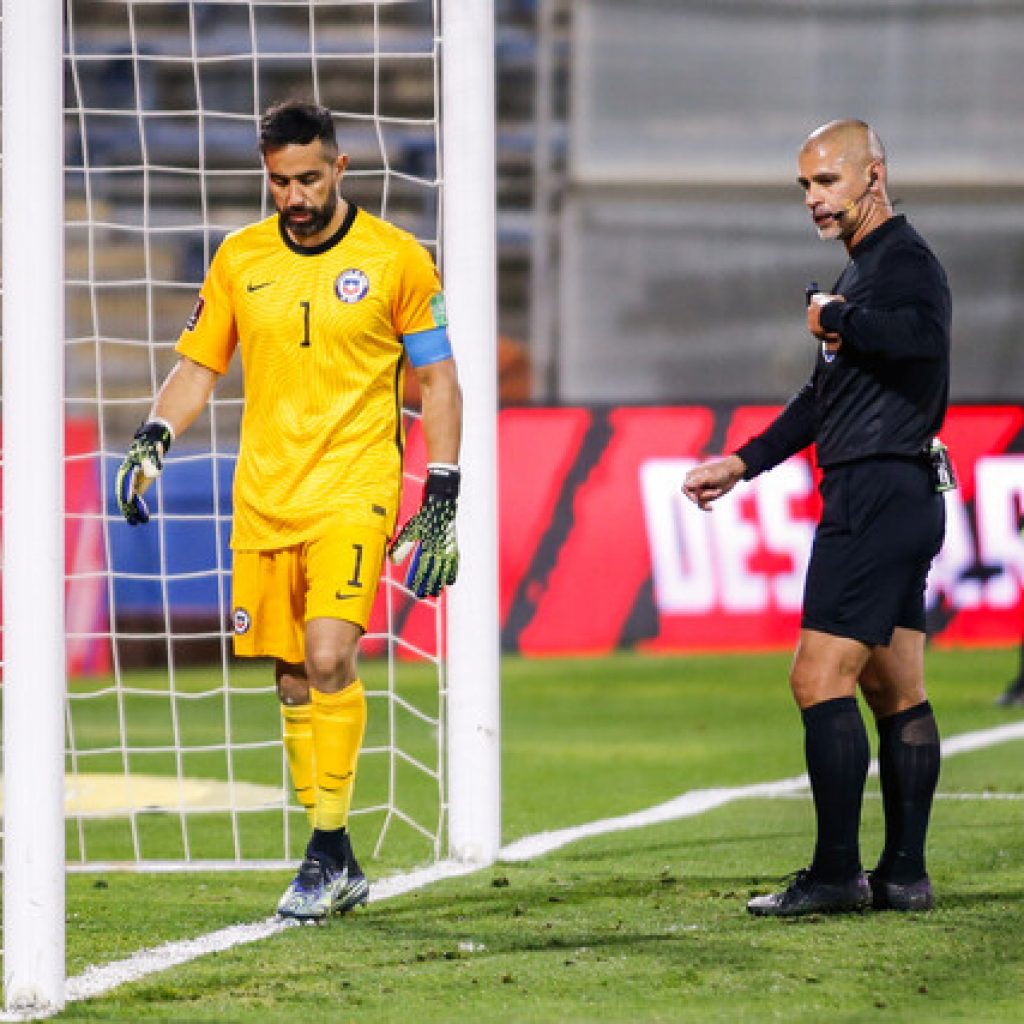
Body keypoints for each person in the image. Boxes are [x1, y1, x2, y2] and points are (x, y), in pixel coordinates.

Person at [115, 100, 463, 921]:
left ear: (341, 169)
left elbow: (439, 380)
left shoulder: (397, 259)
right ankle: (334, 853)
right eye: (279, 181)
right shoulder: (240, 258)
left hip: (356, 486)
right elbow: (200, 365)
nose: (295, 196)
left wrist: (441, 489)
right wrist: (156, 431)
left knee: (331, 654)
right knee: (292, 679)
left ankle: (322, 848)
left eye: (309, 178)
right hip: (266, 495)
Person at [683, 119, 950, 917]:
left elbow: (922, 339)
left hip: (874, 496)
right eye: (804, 185)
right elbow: (821, 399)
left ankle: (837, 874)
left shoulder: (901, 264)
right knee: (896, 687)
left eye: (826, 182)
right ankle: (903, 875)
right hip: (900, 497)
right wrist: (744, 462)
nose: (812, 198)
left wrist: (840, 321)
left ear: (874, 175)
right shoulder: (864, 271)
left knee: (816, 678)